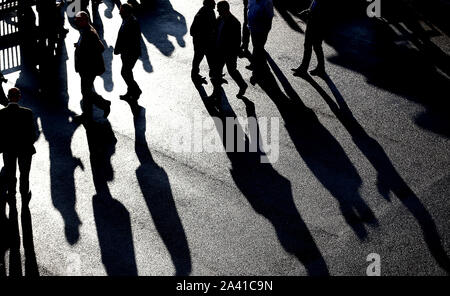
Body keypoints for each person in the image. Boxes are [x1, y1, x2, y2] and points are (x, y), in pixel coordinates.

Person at [0, 88, 38, 207]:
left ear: (8, 96)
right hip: (25, 149)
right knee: (24, 173)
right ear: (19, 97)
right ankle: (24, 194)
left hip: (8, 149)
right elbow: (33, 134)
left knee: (11, 173)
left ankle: (12, 194)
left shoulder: (1, 113)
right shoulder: (28, 113)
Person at [74, 11, 111, 121]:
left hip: (88, 69)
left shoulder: (89, 33)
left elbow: (101, 48)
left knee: (86, 92)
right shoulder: (85, 30)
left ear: (85, 20)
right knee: (86, 91)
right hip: (86, 68)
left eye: (78, 20)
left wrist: (87, 54)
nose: (76, 22)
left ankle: (103, 104)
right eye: (76, 20)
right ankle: (88, 113)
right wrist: (79, 45)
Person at [211, 1, 248, 99]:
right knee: (217, 72)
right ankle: (216, 93)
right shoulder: (219, 18)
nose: (217, 11)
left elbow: (236, 41)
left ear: (225, 9)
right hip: (219, 51)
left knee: (232, 71)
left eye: (219, 9)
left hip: (229, 52)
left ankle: (242, 85)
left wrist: (235, 53)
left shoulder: (234, 23)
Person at [114, 3, 142, 101]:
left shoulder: (132, 22)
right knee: (128, 72)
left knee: (125, 72)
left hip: (130, 52)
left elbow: (130, 40)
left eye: (121, 11)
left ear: (126, 12)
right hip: (126, 52)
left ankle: (136, 90)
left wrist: (122, 50)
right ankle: (130, 92)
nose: (119, 12)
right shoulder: (127, 20)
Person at [292, 0, 327, 77]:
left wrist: (308, 15)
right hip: (312, 26)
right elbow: (312, 10)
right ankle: (318, 68)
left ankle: (305, 68)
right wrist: (306, 11)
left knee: (314, 46)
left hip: (317, 27)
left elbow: (321, 14)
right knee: (312, 46)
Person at [190, 0, 217, 85]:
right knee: (199, 58)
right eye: (213, 3)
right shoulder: (202, 14)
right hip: (202, 42)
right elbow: (193, 30)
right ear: (209, 4)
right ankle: (195, 75)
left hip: (205, 41)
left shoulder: (209, 11)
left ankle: (212, 73)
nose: (215, 4)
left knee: (209, 59)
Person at [247, 0, 274, 84]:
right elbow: (249, 8)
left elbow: (269, 16)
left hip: (261, 29)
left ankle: (257, 72)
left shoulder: (267, 2)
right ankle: (257, 66)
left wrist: (265, 29)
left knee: (258, 49)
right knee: (256, 47)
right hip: (253, 27)